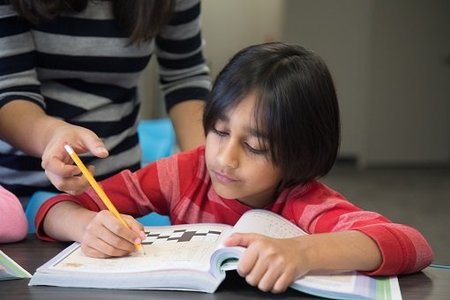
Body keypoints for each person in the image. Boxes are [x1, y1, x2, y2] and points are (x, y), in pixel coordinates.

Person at [35, 42, 433, 293]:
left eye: (255, 146)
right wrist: (87, 227)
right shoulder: (184, 172)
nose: (225, 159)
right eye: (220, 131)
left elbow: (412, 245)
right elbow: (52, 210)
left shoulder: (303, 200)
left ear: (299, 153)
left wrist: (305, 251)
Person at [0, 0, 210, 199]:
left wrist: (206, 169)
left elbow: (185, 77)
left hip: (123, 193)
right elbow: (10, 89)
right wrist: (53, 136)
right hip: (21, 196)